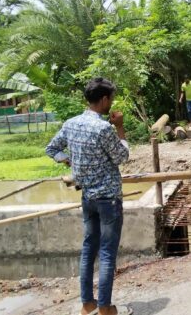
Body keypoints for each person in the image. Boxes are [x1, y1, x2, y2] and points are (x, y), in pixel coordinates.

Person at [46, 78, 131, 315]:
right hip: (108, 200)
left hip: (88, 198)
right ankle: (105, 307)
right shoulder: (104, 128)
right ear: (104, 100)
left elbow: (51, 149)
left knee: (88, 250)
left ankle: (87, 304)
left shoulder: (71, 123)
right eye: (110, 99)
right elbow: (122, 157)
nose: (111, 103)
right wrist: (120, 127)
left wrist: (68, 160)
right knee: (106, 253)